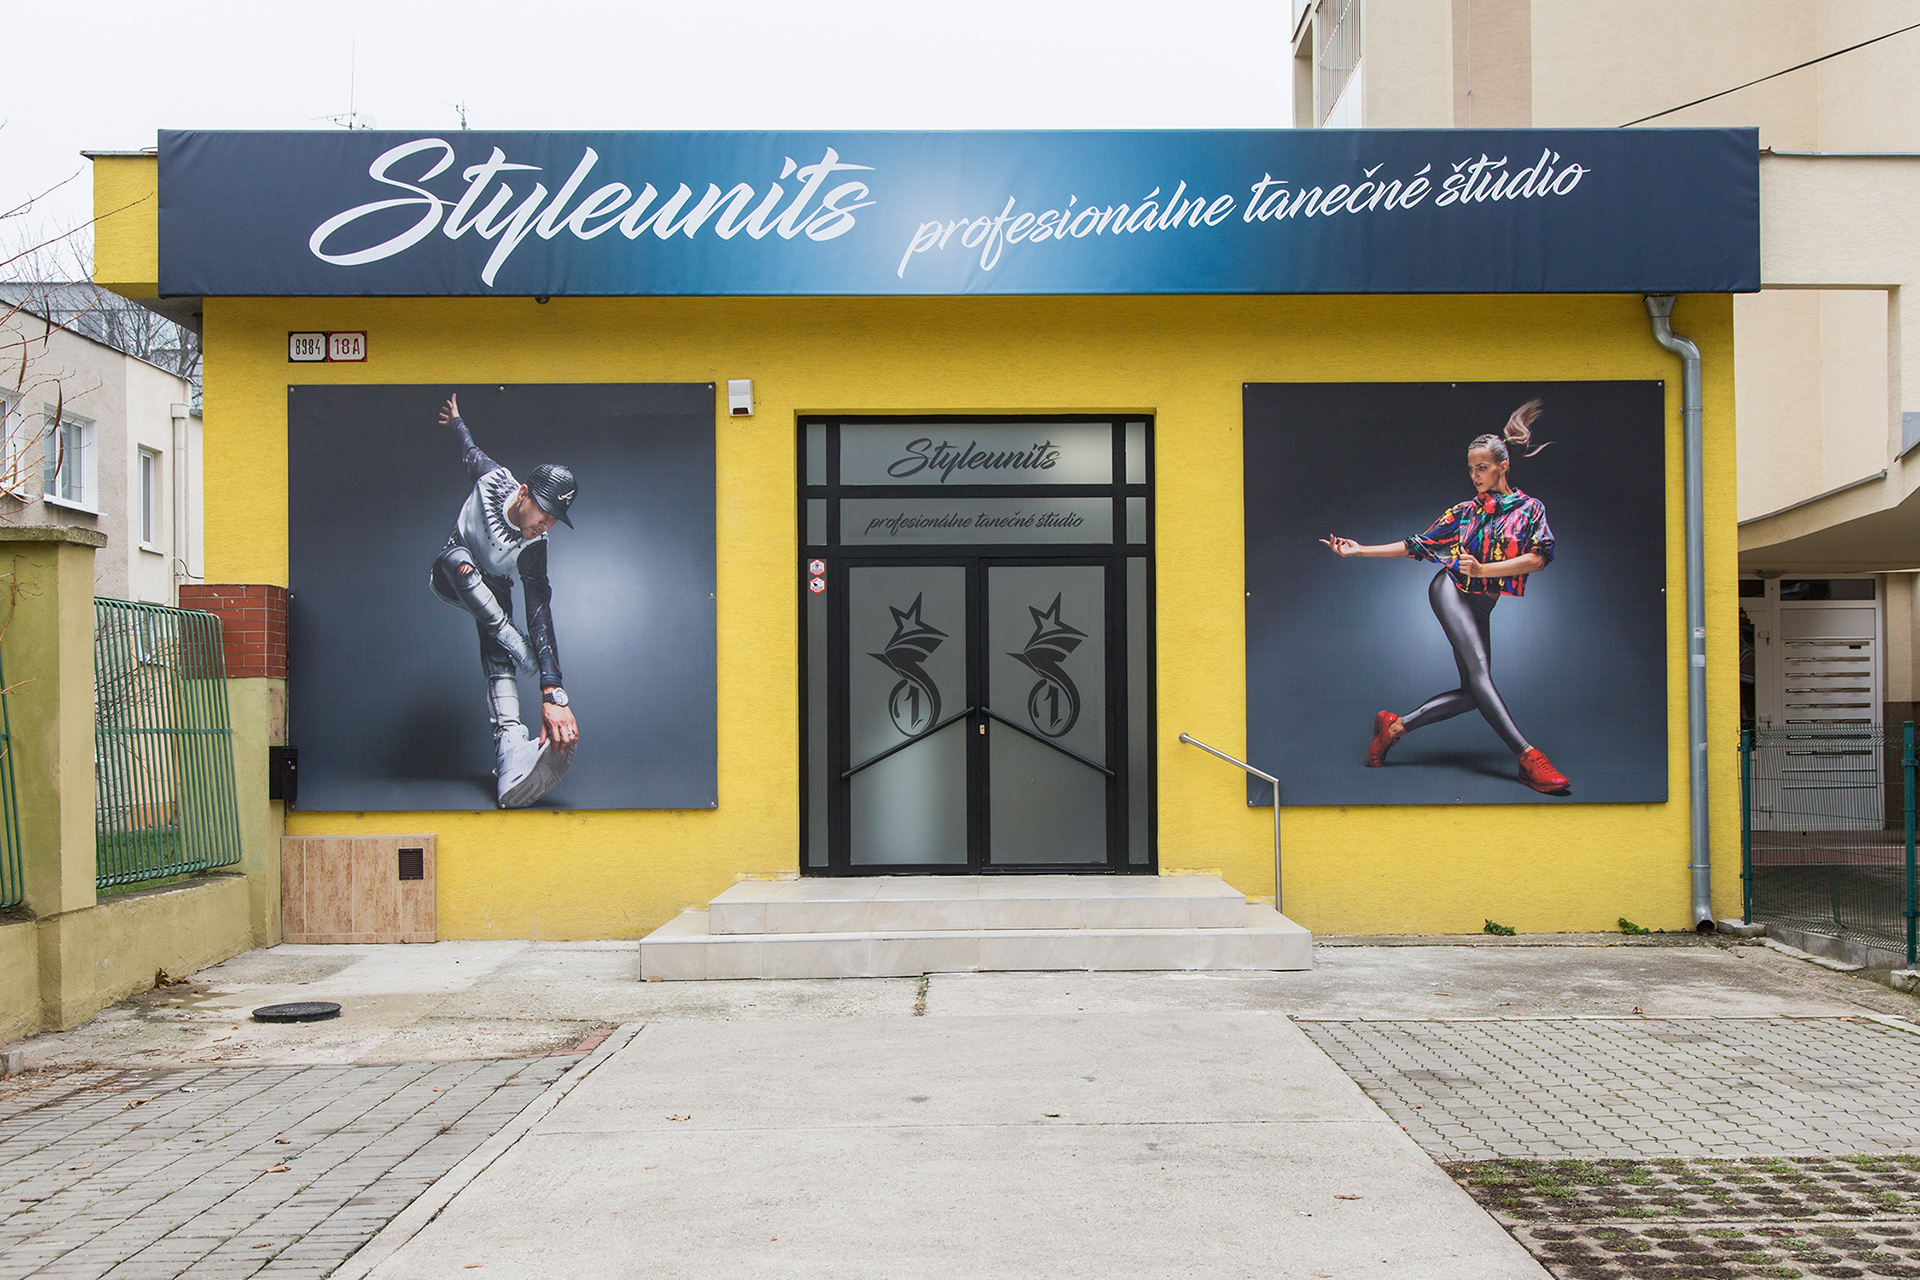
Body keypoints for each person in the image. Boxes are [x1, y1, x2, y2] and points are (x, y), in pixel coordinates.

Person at [1320, 400, 1571, 795]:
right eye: (1471, 469)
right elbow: (1416, 544)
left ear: (1503, 466)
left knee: (1473, 694)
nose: (1475, 475)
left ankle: (1394, 727)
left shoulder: (1529, 509)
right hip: (1451, 589)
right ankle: (1528, 758)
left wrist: (1484, 571)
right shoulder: (1465, 512)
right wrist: (1360, 550)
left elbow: (1538, 559)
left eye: (1482, 467)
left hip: (1482, 602)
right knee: (1481, 677)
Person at [428, 392, 580, 808]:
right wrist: (457, 421)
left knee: (499, 660)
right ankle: (509, 638)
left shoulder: (535, 546)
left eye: (554, 519)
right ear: (524, 493)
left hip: (491, 591)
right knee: (461, 563)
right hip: (450, 573)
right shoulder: (491, 479)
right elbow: (469, 448)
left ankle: (510, 755)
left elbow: (540, 610)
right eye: (543, 512)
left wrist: (552, 688)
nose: (545, 524)